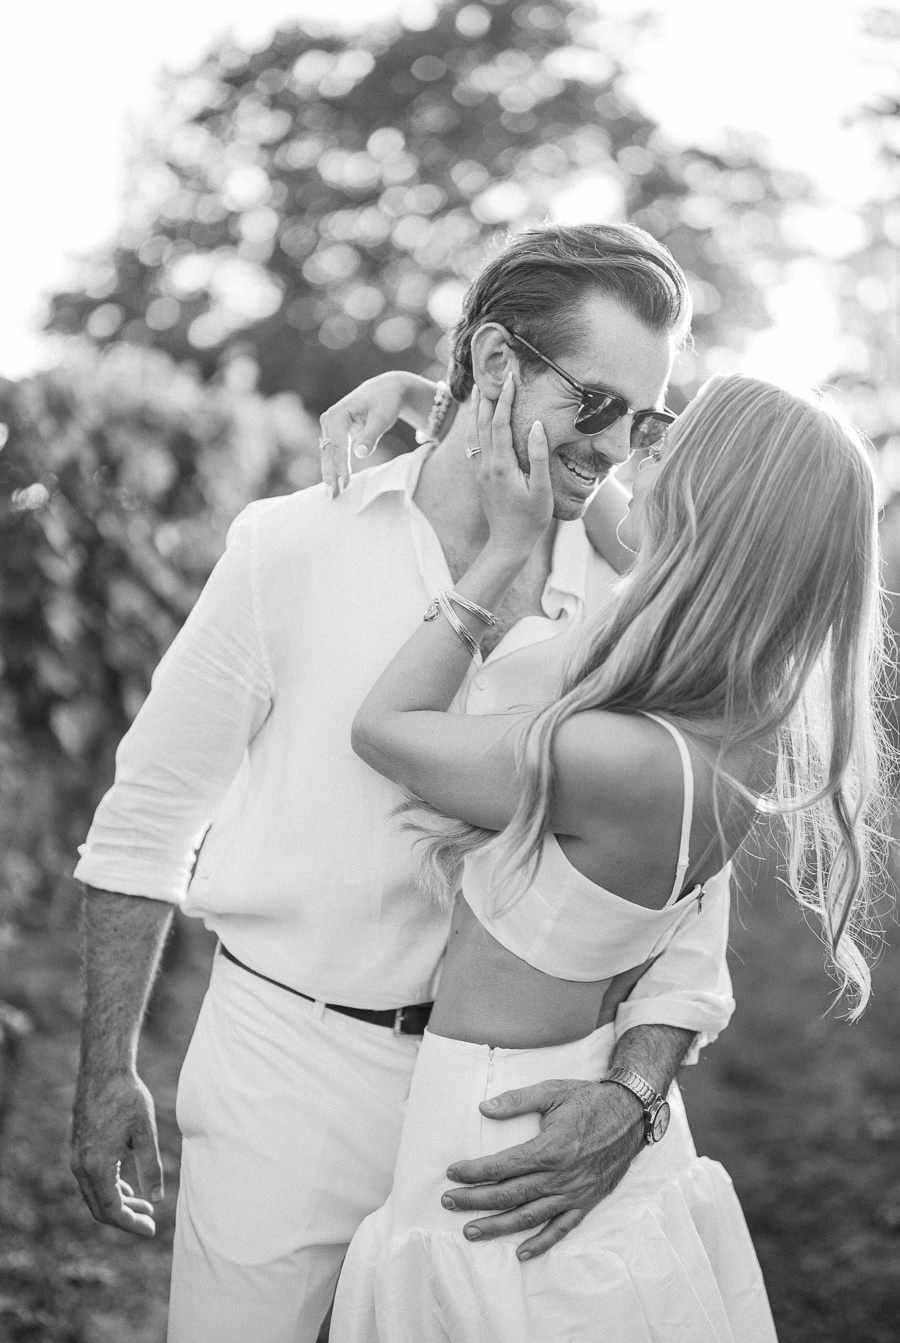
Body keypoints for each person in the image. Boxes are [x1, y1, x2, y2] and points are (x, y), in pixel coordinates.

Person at [70, 224, 738, 1343]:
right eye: (594, 405)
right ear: (491, 366)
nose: (615, 449)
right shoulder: (290, 546)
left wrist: (633, 1091)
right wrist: (103, 1072)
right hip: (288, 1066)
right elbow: (147, 819)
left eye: (643, 419)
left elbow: (688, 874)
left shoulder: (634, 598)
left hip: (513, 1100)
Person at [327, 369, 893, 1342]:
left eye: (678, 433)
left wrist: (501, 555)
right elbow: (620, 525)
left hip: (491, 1129)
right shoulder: (728, 705)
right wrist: (452, 399)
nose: (645, 440)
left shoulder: (616, 759)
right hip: (562, 1079)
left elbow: (385, 729)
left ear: (713, 496)